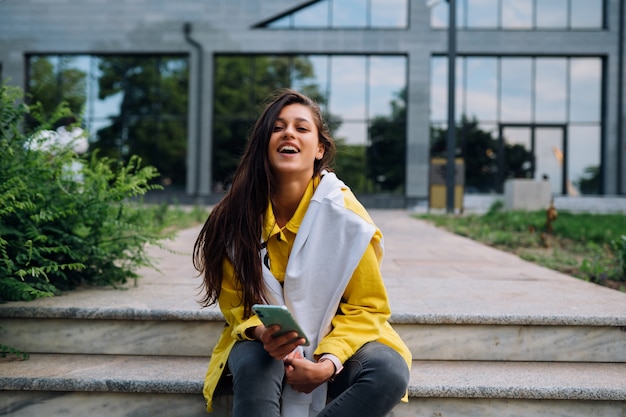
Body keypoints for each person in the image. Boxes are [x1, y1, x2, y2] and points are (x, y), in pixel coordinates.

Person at [193, 89, 411, 417]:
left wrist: (329, 361)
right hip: (263, 344)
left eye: (301, 128)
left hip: (339, 339)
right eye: (278, 127)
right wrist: (263, 331)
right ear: (264, 144)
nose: (289, 133)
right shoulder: (235, 218)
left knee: (388, 371)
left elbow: (367, 307)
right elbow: (235, 304)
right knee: (255, 361)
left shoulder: (347, 218)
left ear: (319, 148)